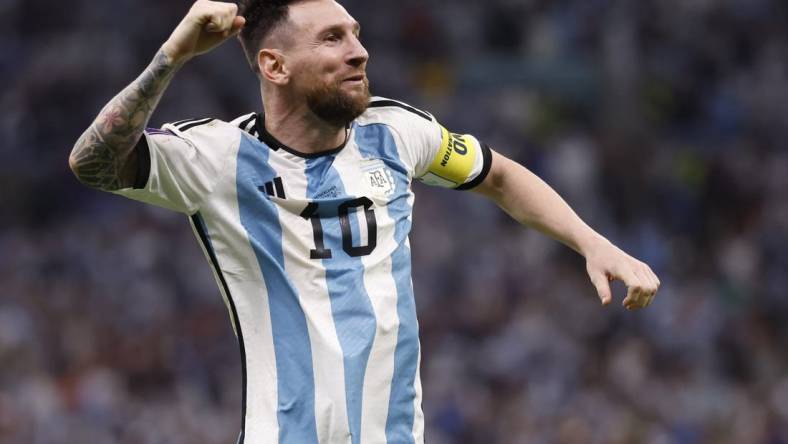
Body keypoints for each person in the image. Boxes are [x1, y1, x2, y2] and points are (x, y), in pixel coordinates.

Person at [68, 0, 660, 443]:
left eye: (355, 33)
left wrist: (590, 241)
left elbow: (499, 176)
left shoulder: (397, 133)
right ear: (274, 65)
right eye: (332, 38)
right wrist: (171, 57)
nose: (359, 50)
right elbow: (92, 162)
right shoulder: (216, 158)